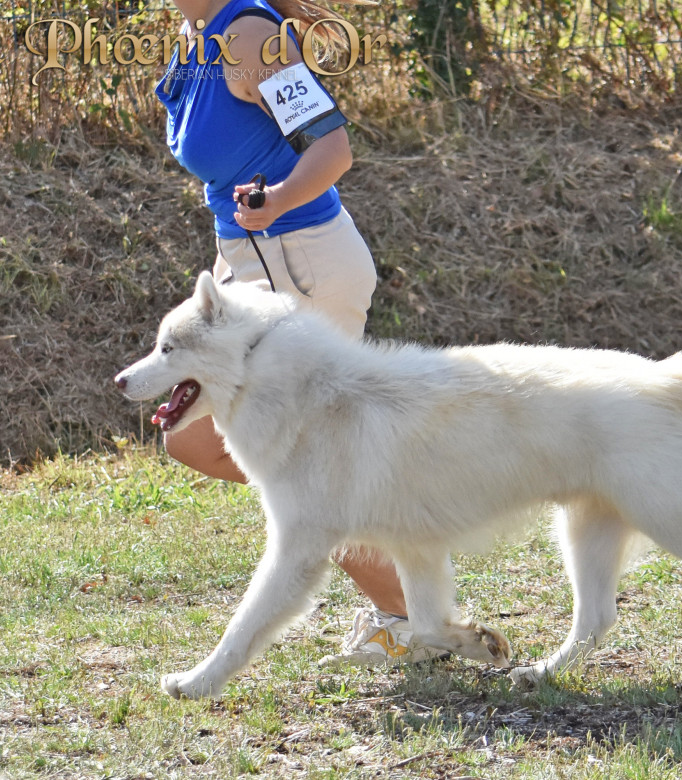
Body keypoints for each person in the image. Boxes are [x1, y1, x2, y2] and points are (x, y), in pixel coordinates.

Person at [155, 0, 443, 666]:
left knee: (277, 461)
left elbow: (332, 147)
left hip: (304, 268)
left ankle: (410, 614)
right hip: (249, 273)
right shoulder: (195, 38)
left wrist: (278, 198)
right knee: (201, 440)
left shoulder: (250, 35)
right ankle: (410, 600)